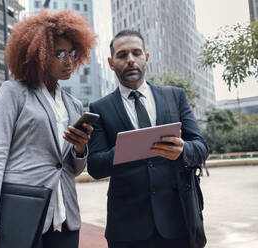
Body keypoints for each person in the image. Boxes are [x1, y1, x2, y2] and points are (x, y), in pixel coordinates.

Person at [0, 9, 96, 248]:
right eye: (59, 54)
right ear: (39, 55)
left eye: (71, 53)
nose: (69, 61)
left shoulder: (74, 104)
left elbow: (71, 169)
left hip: (65, 216)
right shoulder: (13, 93)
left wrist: (80, 149)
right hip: (23, 212)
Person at [87, 30, 209, 248]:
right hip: (127, 229)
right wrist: (126, 149)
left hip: (177, 222)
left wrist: (183, 150)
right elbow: (95, 166)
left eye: (137, 53)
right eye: (122, 55)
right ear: (111, 62)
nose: (130, 60)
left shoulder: (174, 97)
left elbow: (201, 147)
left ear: (147, 57)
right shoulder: (100, 109)